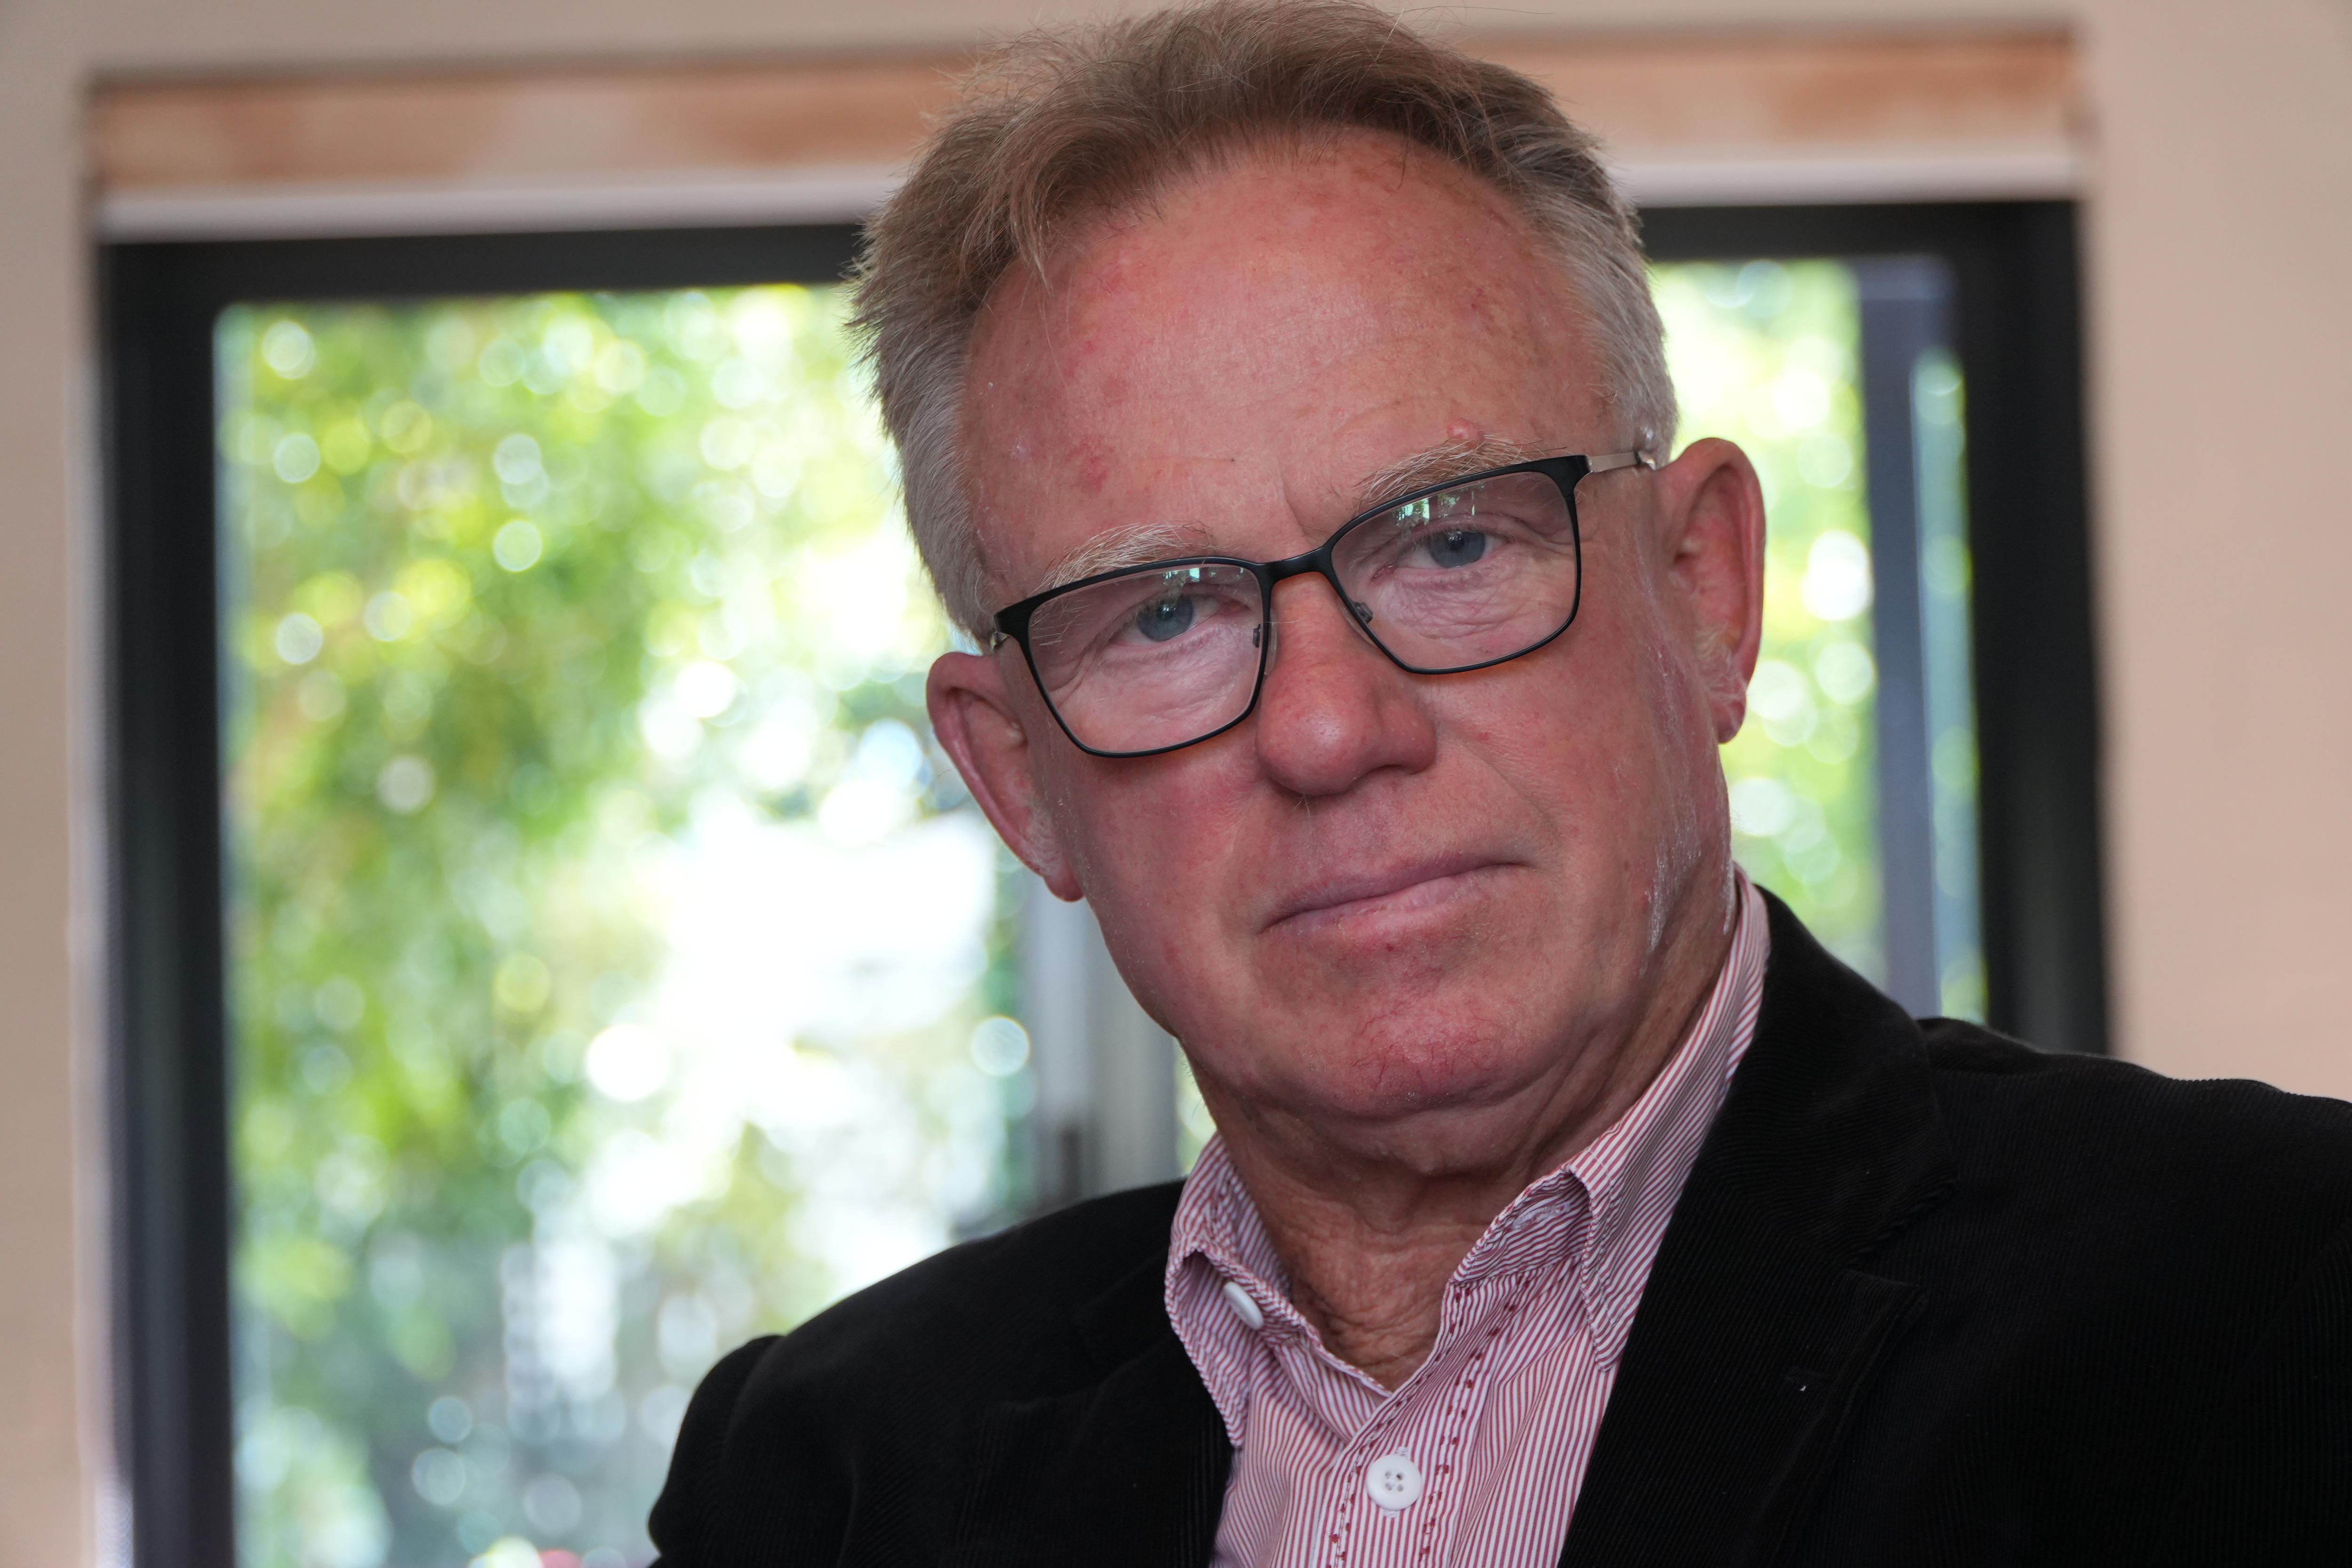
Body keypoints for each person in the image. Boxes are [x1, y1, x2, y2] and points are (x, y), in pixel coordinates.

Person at [648, 4, 2352, 1562]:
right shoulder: (824, 1481)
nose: (1329, 732)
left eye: (1452, 543)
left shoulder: (2281, 1305)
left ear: (1705, 593)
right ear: (1019, 780)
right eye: (1164, 612)